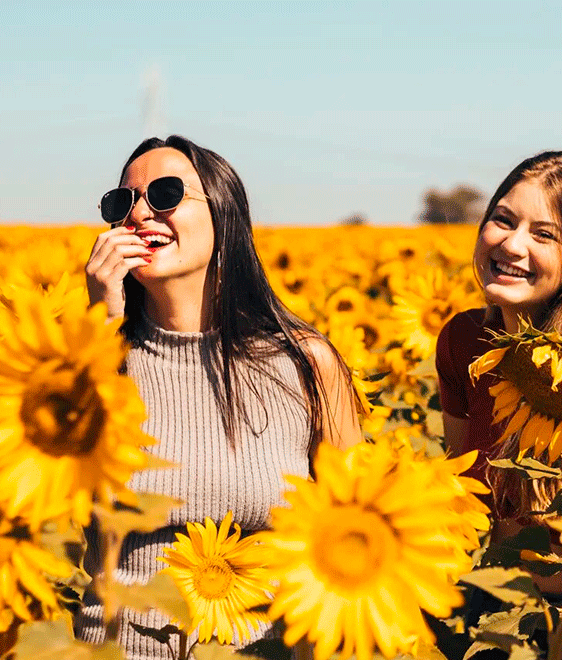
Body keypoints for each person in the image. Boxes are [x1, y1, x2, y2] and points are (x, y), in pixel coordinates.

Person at [78, 135, 362, 657]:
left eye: (165, 194)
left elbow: (355, 531)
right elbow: (52, 514)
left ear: (224, 214)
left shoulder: (305, 364)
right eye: (122, 203)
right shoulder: (83, 361)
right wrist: (100, 331)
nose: (139, 214)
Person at [435, 150, 562, 522]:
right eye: (503, 220)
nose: (512, 245)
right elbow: (459, 492)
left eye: (544, 234)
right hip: (479, 575)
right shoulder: (464, 340)